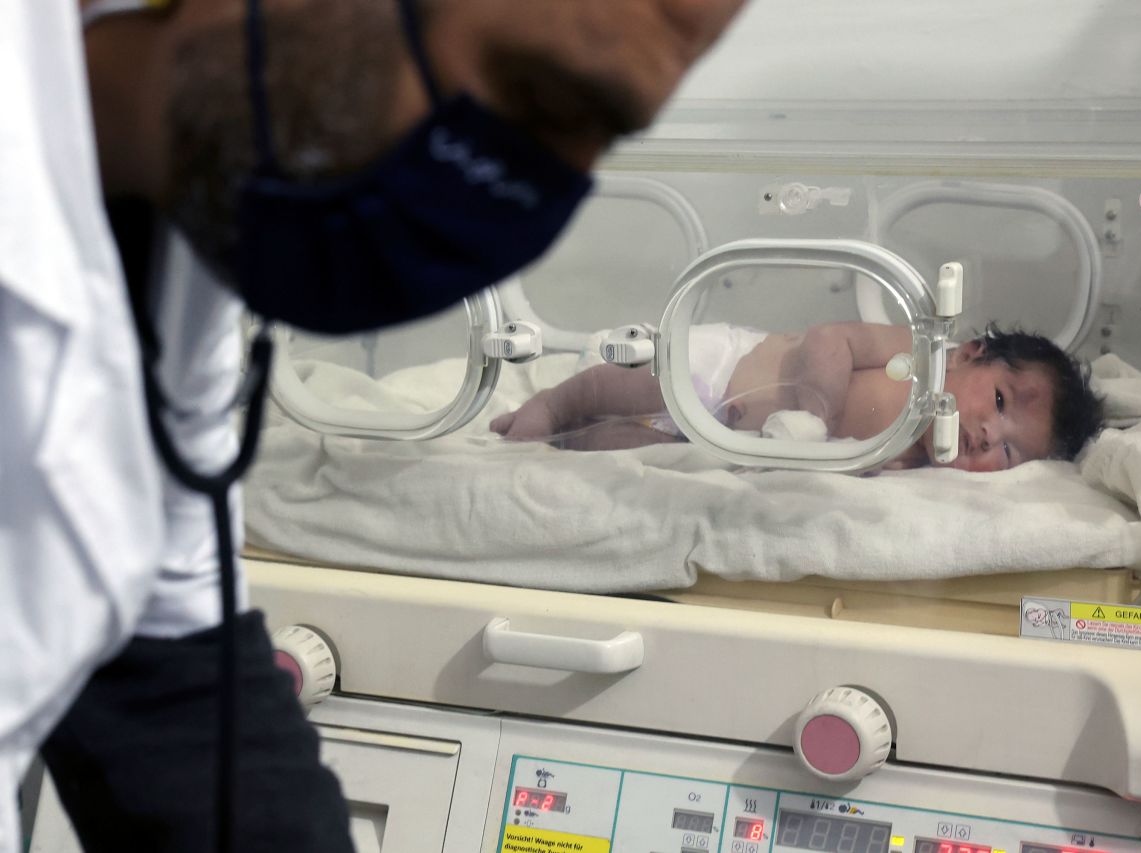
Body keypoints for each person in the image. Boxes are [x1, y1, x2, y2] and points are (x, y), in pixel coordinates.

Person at [1, 1, 746, 851]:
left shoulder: (174, 248)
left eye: (592, 141)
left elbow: (169, 672)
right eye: (531, 98)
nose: (520, 201)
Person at [490, 321, 1105, 471]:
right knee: (622, 385)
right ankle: (553, 405)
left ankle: (562, 443)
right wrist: (816, 408)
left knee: (621, 448)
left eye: (1009, 455)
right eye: (999, 403)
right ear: (969, 352)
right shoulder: (913, 354)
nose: (989, 436)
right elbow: (828, 340)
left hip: (726, 444)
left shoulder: (914, 464)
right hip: (724, 374)